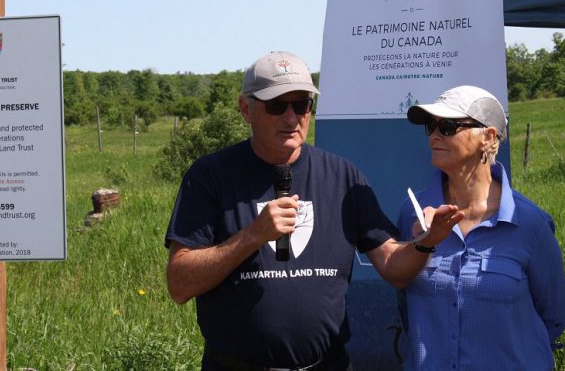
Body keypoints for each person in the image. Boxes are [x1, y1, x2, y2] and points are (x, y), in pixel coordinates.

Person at [165, 51, 462, 370]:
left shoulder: (342, 176)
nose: (291, 118)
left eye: (302, 104)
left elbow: (392, 265)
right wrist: (253, 235)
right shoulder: (211, 176)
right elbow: (180, 284)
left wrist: (428, 241)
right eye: (277, 105)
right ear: (245, 109)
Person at [397, 85, 565, 370]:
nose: (434, 136)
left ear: (488, 137)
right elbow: (404, 305)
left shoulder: (530, 224)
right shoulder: (412, 215)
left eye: (448, 126)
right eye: (431, 126)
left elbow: (554, 315)